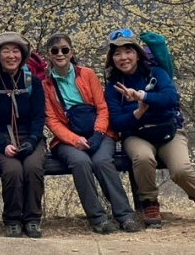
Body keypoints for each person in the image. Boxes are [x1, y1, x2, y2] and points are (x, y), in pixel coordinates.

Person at [104, 28, 195, 228]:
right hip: (136, 135)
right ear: (112, 58)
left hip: (168, 130)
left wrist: (142, 97)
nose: (123, 57)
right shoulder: (113, 87)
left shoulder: (157, 73)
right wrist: (138, 112)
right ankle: (149, 203)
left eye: (128, 51)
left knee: (181, 169)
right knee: (143, 158)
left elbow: (171, 98)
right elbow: (117, 122)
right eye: (117, 53)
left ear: (137, 53)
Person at [43, 33, 140, 234]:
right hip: (67, 138)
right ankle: (98, 218)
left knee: (102, 161)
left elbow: (102, 107)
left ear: (72, 52)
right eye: (55, 51)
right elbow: (51, 120)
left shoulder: (87, 75)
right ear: (49, 56)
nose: (60, 54)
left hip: (100, 132)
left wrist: (98, 134)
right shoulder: (45, 85)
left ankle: (125, 215)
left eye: (64, 50)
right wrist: (73, 139)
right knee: (81, 162)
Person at [0, 32, 48, 238]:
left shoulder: (32, 82)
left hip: (31, 137)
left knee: (33, 167)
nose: (11, 56)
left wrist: (33, 141)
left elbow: (38, 117)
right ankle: (12, 219)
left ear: (23, 55)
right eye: (6, 51)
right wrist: (2, 146)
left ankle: (33, 219)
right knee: (13, 170)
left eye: (16, 51)